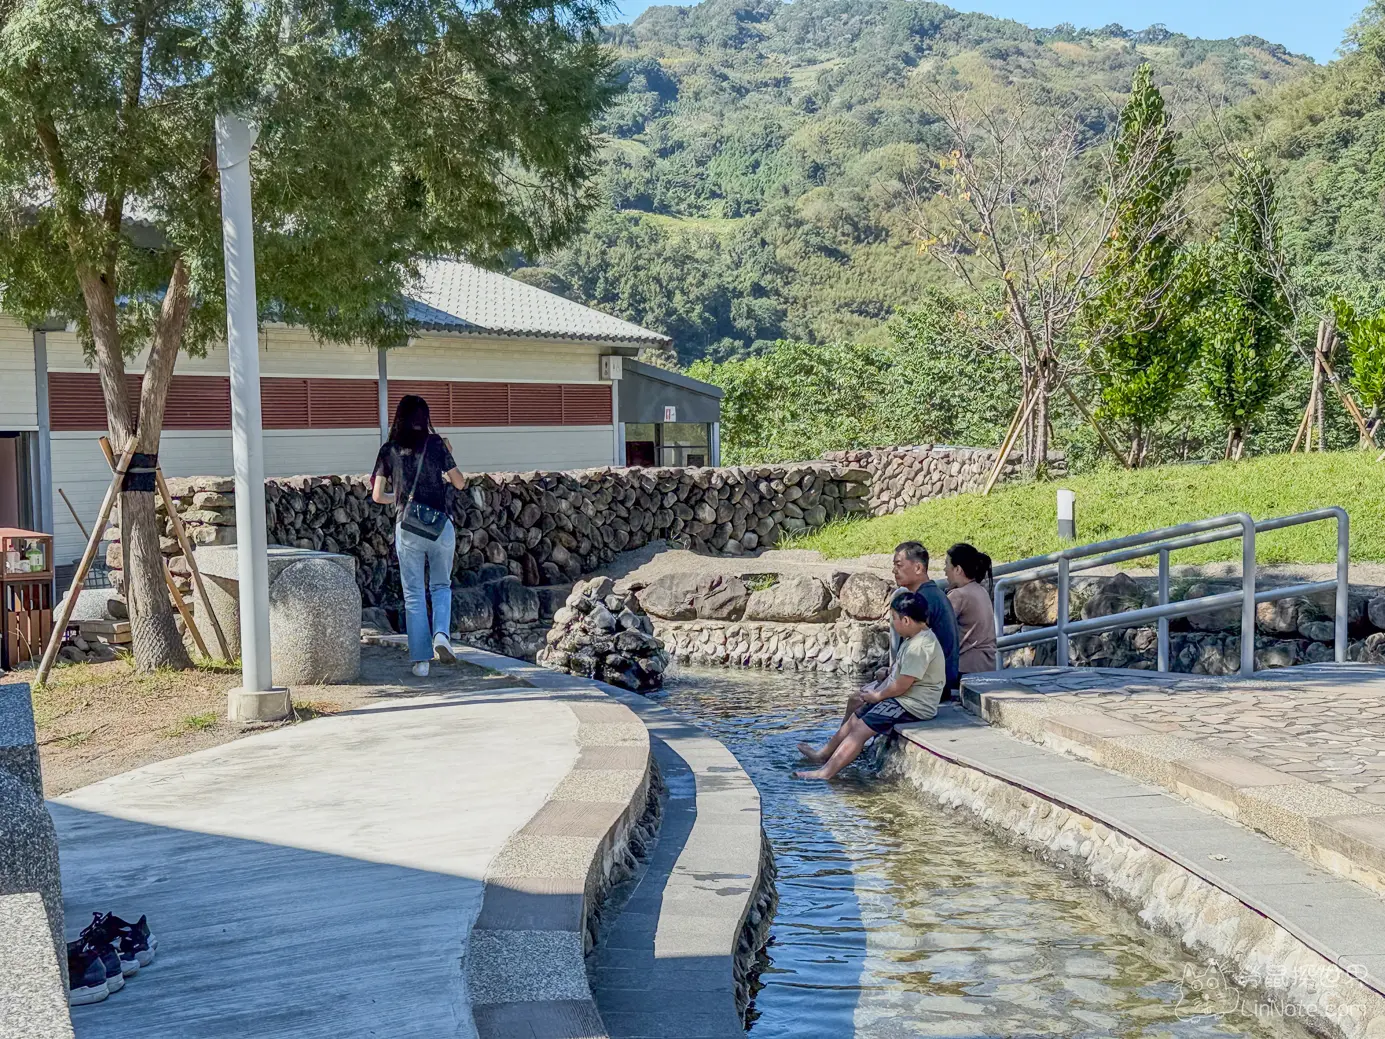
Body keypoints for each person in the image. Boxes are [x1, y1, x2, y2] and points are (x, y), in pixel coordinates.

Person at [795, 590, 946, 780]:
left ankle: (826, 773)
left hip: (913, 704)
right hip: (903, 698)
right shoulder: (914, 640)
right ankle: (824, 755)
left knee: (860, 728)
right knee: (855, 717)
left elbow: (902, 685)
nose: (892, 623)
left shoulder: (920, 646)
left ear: (906, 620)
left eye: (894, 618)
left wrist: (877, 696)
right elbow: (904, 674)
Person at [372, 394, 467, 677]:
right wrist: (449, 452)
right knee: (441, 586)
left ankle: (421, 663)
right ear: (425, 418)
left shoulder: (388, 450)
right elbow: (460, 483)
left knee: (413, 594)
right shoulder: (436, 444)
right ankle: (441, 635)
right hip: (440, 526)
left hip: (408, 527)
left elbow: (377, 496)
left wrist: (400, 498)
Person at [944, 542, 997, 677]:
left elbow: (937, 626)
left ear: (958, 569)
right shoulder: (981, 590)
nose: (945, 570)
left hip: (964, 668)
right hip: (987, 665)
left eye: (947, 565)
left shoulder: (959, 595)